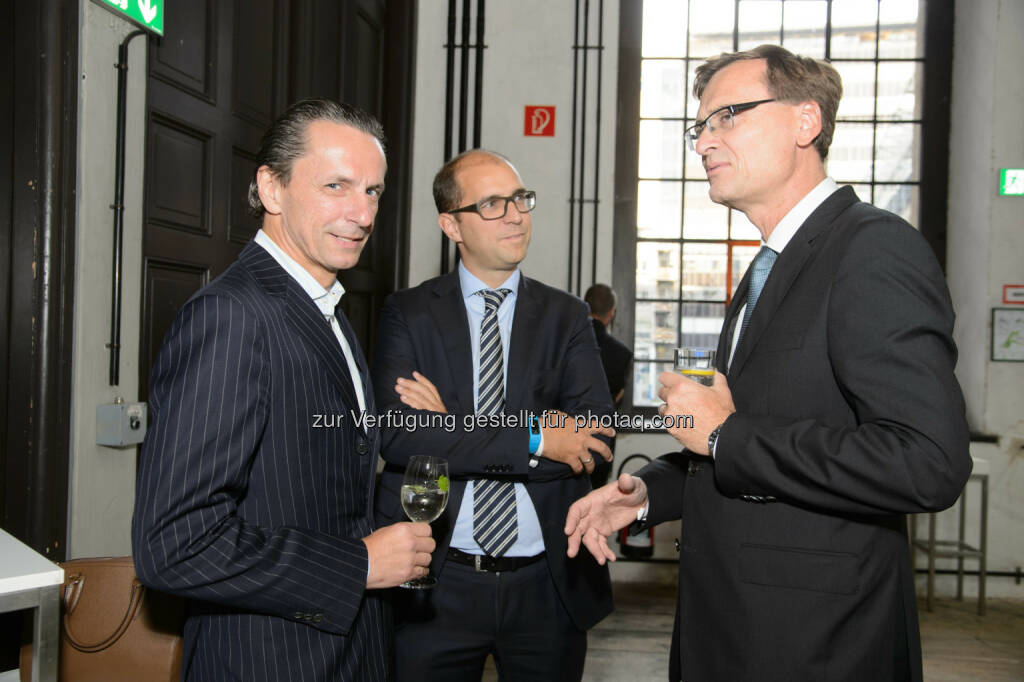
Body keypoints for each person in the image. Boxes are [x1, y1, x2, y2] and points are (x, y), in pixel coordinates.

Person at [565, 45, 971, 682]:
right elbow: (752, 433)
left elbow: (928, 462)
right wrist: (650, 494)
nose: (704, 142)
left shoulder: (872, 250)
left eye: (727, 116)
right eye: (698, 126)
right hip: (728, 631)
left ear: (806, 123)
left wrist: (726, 435)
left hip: (815, 646)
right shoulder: (769, 267)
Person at [132, 99, 434, 682]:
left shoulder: (329, 308)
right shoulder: (232, 316)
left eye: (373, 191)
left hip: (347, 649)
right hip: (268, 658)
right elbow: (174, 545)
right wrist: (359, 563)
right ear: (271, 190)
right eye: (336, 185)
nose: (361, 213)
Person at [372, 149, 615, 681]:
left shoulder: (566, 316)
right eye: (491, 204)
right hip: (435, 581)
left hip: (548, 586)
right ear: (450, 224)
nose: (515, 214)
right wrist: (535, 438)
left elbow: (594, 443)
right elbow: (398, 437)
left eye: (520, 199)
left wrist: (451, 425)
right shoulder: (408, 313)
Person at [584, 283, 633, 488]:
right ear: (611, 313)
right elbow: (619, 396)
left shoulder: (564, 343)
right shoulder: (621, 353)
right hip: (602, 437)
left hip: (562, 433)